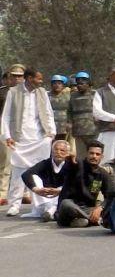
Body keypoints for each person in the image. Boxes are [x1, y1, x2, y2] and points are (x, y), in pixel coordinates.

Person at [1, 67, 57, 216]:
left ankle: (42, 204)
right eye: (38, 78)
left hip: (39, 138)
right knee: (18, 171)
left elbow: (49, 114)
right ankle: (15, 204)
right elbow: (5, 116)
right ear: (29, 78)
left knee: (39, 172)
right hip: (19, 139)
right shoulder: (13, 92)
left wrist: (51, 133)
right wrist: (7, 135)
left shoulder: (42, 93)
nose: (41, 81)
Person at [56, 140, 115, 227]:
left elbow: (110, 195)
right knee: (66, 204)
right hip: (69, 208)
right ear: (87, 154)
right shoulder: (77, 164)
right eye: (91, 153)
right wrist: (69, 159)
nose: (94, 156)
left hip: (88, 209)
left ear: (102, 157)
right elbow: (68, 167)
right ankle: (93, 220)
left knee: (112, 206)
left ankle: (82, 221)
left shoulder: (103, 173)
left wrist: (100, 208)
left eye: (97, 154)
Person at [20, 140, 70, 221]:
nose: (58, 152)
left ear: (67, 153)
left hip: (61, 196)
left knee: (69, 187)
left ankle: (50, 212)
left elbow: (76, 183)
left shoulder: (71, 165)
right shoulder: (46, 163)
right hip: (45, 195)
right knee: (34, 177)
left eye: (62, 150)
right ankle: (48, 211)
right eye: (56, 150)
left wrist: (60, 190)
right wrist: (37, 190)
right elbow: (26, 174)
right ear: (52, 151)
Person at [0, 64, 26, 204]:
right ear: (8, 77)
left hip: (25, 130)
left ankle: (26, 192)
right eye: (14, 76)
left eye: (20, 76)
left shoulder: (29, 93)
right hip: (5, 130)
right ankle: (3, 193)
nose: (17, 79)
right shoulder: (3, 92)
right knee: (6, 162)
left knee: (26, 161)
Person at [67, 71, 98, 160]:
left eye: (82, 83)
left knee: (93, 153)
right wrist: (69, 123)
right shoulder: (73, 96)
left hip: (93, 129)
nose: (79, 86)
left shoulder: (95, 94)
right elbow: (69, 111)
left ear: (88, 83)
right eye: (77, 84)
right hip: (78, 130)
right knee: (80, 156)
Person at [49, 75, 70, 141]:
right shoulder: (46, 96)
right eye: (54, 83)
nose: (57, 85)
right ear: (51, 85)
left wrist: (70, 122)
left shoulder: (68, 96)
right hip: (51, 126)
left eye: (59, 83)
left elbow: (71, 110)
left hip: (64, 127)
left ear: (63, 85)